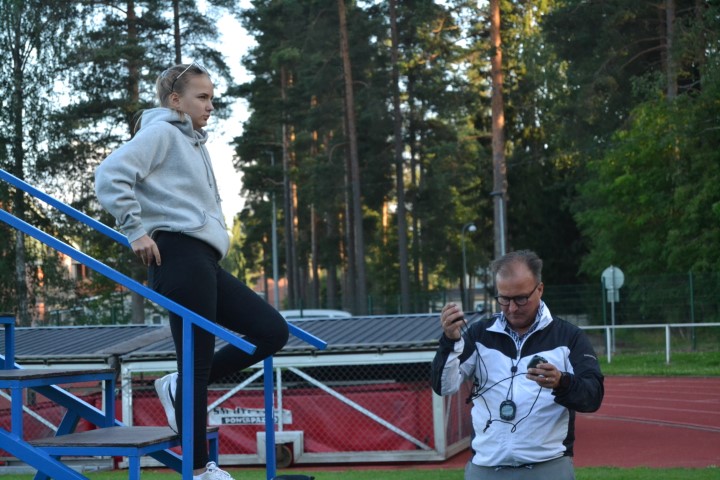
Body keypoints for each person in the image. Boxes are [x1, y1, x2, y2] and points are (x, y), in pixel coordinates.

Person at [95, 62, 289, 480]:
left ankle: (176, 385)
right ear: (175, 100)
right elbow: (110, 175)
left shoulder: (193, 143)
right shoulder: (162, 133)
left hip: (203, 260)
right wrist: (135, 231)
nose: (210, 106)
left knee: (272, 331)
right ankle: (200, 471)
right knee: (197, 366)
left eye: (211, 98)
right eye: (201, 97)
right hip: (177, 256)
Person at [432, 250, 604, 480]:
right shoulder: (479, 334)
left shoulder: (568, 337)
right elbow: (444, 386)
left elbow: (593, 397)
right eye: (504, 299)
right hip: (486, 467)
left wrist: (562, 382)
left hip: (548, 467)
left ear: (539, 289)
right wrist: (450, 341)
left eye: (521, 298)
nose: (512, 308)